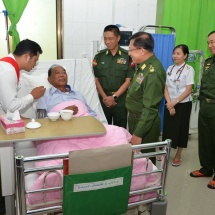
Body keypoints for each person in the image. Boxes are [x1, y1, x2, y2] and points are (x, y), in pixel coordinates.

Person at [125, 32, 166, 164]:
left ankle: (148, 183)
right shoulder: (143, 67)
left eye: (131, 49)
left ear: (141, 50)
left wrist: (138, 134)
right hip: (135, 120)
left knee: (145, 161)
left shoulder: (153, 72)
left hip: (145, 125)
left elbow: (150, 109)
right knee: (136, 160)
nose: (129, 53)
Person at [93, 24, 135, 128]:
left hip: (120, 101)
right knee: (104, 130)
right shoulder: (99, 56)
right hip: (104, 101)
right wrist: (105, 98)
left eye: (111, 38)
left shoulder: (127, 56)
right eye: (105, 39)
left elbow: (128, 80)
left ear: (118, 38)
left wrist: (114, 97)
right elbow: (96, 79)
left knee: (120, 130)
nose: (107, 42)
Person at [162, 44, 194, 166]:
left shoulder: (189, 70)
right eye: (174, 53)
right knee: (168, 129)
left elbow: (188, 90)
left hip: (183, 104)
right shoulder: (169, 68)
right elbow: (165, 88)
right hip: (169, 102)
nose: (175, 56)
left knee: (181, 129)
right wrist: (169, 103)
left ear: (185, 55)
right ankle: (166, 151)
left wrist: (173, 104)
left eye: (178, 53)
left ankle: (178, 154)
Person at [190, 30, 215, 189]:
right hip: (205, 105)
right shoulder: (209, 62)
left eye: (212, 41)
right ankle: (206, 168)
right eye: (209, 42)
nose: (210, 45)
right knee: (205, 140)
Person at [0, 39, 46, 115]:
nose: (35, 65)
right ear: (26, 57)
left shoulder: (7, 66)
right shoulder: (8, 71)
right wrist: (32, 96)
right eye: (35, 60)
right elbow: (10, 107)